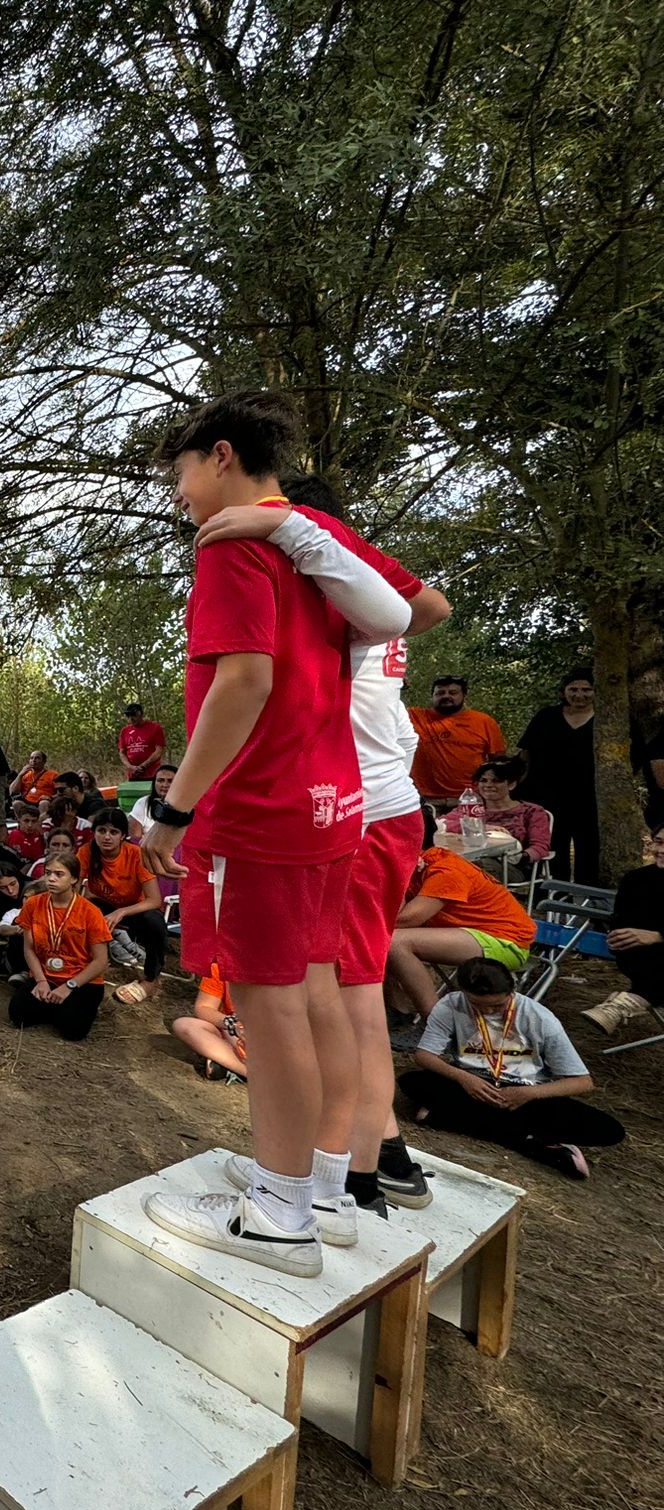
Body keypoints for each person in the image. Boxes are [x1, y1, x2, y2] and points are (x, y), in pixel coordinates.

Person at [139, 390, 375, 1279]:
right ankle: (319, 1188)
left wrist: (175, 807)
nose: (181, 496)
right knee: (317, 994)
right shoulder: (320, 541)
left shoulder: (236, 543)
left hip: (262, 810)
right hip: (331, 802)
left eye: (183, 475)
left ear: (223, 457)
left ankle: (278, 1214)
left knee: (267, 1008)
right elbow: (413, 610)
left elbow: (242, 683)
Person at [196, 473, 452, 1218]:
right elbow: (423, 607)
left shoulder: (322, 586)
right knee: (334, 995)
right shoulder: (359, 601)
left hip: (355, 809)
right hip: (366, 805)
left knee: (343, 997)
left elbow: (249, 686)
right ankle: (341, 1170)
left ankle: (357, 1175)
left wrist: (289, 533)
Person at [402, 958, 625, 1180]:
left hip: (525, 1094)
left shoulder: (540, 1018)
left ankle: (452, 1119)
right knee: (412, 1082)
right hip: (475, 1086)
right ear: (463, 993)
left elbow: (582, 1081)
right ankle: (531, 1140)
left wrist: (529, 1093)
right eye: (477, 1005)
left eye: (498, 1006)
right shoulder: (451, 1005)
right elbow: (424, 1055)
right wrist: (463, 1077)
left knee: (609, 1130)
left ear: (512, 991)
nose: (488, 1011)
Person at [387, 811, 538, 1022]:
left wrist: (399, 875)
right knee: (379, 937)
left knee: (394, 942)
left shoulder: (445, 869)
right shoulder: (417, 865)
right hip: (467, 934)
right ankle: (398, 1012)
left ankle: (435, 1025)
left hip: (506, 941)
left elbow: (405, 919)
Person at [9, 852, 109, 1040]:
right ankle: (57, 1006)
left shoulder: (90, 912)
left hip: (80, 980)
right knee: (18, 1015)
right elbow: (29, 948)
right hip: (47, 975)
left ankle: (72, 1007)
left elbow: (101, 961)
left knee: (72, 1032)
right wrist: (41, 981)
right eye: (48, 873)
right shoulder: (33, 904)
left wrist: (69, 986)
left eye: (59, 874)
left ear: (74, 879)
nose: (51, 879)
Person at [516, 668, 598, 882]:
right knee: (552, 848)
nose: (579, 694)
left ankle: (588, 900)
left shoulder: (608, 720)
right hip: (547, 795)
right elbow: (525, 753)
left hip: (591, 797)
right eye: (573, 689)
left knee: (589, 849)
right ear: (564, 691)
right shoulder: (546, 717)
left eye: (586, 689)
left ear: (595, 692)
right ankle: (556, 899)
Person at [582, 823, 664, 1034]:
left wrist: (658, 935)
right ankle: (626, 1004)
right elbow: (623, 925)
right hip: (641, 955)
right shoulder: (637, 879)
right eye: (659, 842)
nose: (660, 850)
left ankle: (623, 1005)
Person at [79, 807, 165, 1001]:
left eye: (113, 832)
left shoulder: (136, 854)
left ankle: (151, 978)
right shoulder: (86, 852)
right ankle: (86, 964)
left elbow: (154, 900)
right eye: (101, 831)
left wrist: (121, 912)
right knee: (77, 911)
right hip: (101, 903)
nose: (107, 837)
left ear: (123, 835)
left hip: (135, 907)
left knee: (155, 922)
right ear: (94, 833)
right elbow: (72, 886)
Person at [409, 675, 506, 804]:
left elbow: (498, 763)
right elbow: (384, 709)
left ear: (464, 696)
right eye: (440, 693)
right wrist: (396, 683)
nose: (446, 696)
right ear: (432, 696)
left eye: (453, 693)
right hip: (423, 800)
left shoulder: (484, 722)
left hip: (470, 799)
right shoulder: (414, 717)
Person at [439, 757, 552, 863]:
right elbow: (440, 824)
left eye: (496, 781)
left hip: (510, 865)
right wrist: (479, 827)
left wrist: (521, 857)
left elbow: (540, 846)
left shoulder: (531, 812)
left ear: (511, 784)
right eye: (483, 780)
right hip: (469, 860)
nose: (488, 785)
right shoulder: (471, 808)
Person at [170, 965, 247, 1082]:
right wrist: (233, 1025)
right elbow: (204, 1007)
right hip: (235, 1031)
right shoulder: (221, 966)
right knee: (185, 1026)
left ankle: (229, 1065)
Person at [118, 702, 167, 783]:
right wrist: (130, 767)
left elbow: (159, 750)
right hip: (133, 774)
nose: (131, 718)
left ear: (140, 714)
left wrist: (144, 765)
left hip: (151, 773)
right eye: (128, 716)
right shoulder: (125, 731)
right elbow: (122, 753)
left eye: (134, 715)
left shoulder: (155, 728)